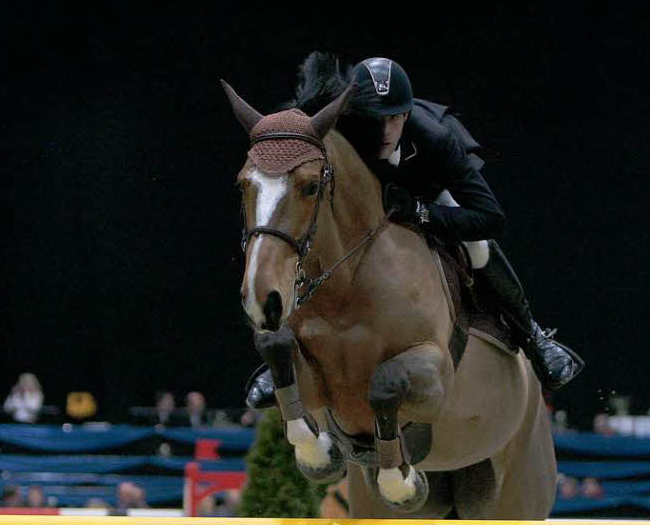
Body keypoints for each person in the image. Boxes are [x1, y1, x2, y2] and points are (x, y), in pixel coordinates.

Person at [246, 54, 583, 410]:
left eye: (397, 118)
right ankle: (285, 354)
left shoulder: (435, 138)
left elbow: (490, 217)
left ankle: (533, 336)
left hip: (426, 191)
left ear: (407, 114)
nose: (387, 131)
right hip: (360, 203)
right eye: (378, 119)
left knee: (479, 247)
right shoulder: (343, 126)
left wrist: (422, 212)